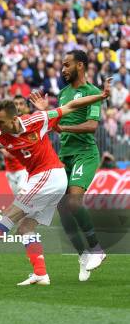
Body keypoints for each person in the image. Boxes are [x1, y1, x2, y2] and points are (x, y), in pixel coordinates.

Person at [0, 81, 110, 286]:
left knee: (9, 215)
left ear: (14, 119)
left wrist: (101, 96)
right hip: (41, 180)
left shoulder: (37, 119)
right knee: (25, 228)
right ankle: (41, 274)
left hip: (50, 176)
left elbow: (70, 107)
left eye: (1, 122)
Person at [30, 50, 108, 282]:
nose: (62, 69)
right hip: (64, 156)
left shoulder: (92, 93)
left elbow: (92, 126)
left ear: (80, 66)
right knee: (62, 209)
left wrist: (65, 129)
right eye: (62, 65)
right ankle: (83, 254)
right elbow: (56, 122)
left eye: (67, 65)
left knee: (74, 201)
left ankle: (96, 248)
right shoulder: (63, 94)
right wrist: (46, 112)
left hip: (85, 154)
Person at [1, 96, 30, 195]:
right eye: (15, 104)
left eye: (21, 104)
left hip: (24, 169)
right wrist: (4, 150)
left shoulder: (29, 123)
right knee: (18, 197)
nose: (18, 107)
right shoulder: (4, 125)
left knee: (23, 194)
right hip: (10, 170)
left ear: (26, 107)